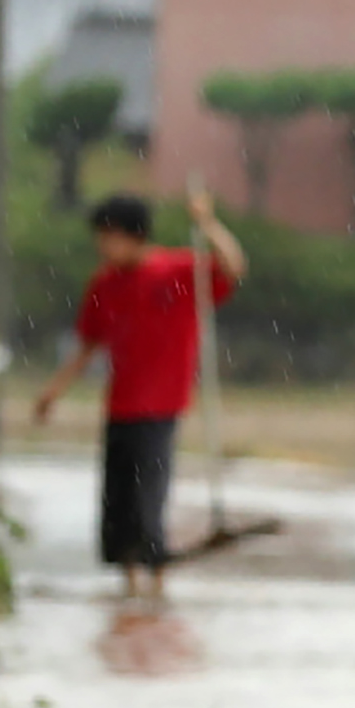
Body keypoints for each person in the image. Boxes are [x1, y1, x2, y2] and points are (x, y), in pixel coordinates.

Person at [32, 188, 247, 598]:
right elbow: (88, 344)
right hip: (120, 406)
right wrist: (53, 392)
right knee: (117, 498)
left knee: (148, 493)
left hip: (162, 404)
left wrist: (207, 224)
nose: (102, 245)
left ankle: (156, 578)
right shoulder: (104, 284)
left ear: (135, 235)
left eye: (109, 236)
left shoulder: (178, 272)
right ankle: (129, 587)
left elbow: (233, 268)